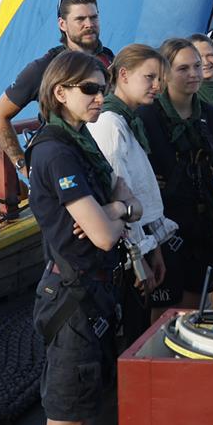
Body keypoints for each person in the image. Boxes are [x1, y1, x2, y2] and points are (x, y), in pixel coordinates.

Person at [24, 50, 135, 425]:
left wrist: (111, 209)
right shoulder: (55, 152)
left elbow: (122, 196)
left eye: (102, 87)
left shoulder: (79, 137)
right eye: (89, 89)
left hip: (94, 293)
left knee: (84, 409)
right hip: (70, 298)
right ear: (60, 92)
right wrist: (111, 213)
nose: (99, 96)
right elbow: (108, 229)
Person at [140, 38, 213, 313]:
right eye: (183, 69)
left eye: (197, 66)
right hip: (160, 227)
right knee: (160, 312)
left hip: (200, 224)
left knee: (192, 306)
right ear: (165, 74)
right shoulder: (145, 118)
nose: (194, 73)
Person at [89, 44, 170, 338]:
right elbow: (119, 196)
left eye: (160, 78)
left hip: (140, 243)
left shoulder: (128, 120)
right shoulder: (111, 123)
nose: (157, 86)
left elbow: (139, 195)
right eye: (149, 77)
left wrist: (156, 247)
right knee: (130, 331)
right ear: (123, 75)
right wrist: (138, 261)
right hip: (123, 255)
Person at [0, 0, 115, 176]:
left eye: (94, 17)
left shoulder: (108, 59)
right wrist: (22, 166)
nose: (89, 24)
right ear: (62, 24)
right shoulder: (44, 67)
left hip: (109, 167)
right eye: (80, 19)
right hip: (71, 167)